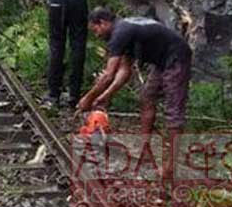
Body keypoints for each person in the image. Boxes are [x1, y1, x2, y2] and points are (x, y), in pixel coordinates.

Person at [77, 7, 192, 138]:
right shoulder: (124, 30)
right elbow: (124, 72)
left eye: (95, 30)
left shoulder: (120, 34)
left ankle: (173, 155)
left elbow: (108, 76)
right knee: (147, 97)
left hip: (177, 56)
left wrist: (87, 98)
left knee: (173, 109)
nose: (97, 34)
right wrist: (105, 96)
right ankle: (145, 145)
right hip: (161, 61)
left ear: (103, 23)